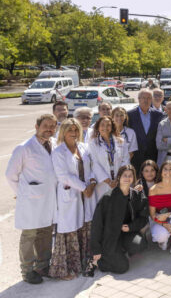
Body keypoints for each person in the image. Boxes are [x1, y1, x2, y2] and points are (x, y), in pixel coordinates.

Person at [6, 114, 58, 284]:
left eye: (52, 126)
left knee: (45, 233)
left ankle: (43, 265)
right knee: (29, 235)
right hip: (30, 200)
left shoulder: (54, 143)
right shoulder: (24, 148)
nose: (49, 129)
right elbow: (10, 175)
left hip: (48, 199)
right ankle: (27, 270)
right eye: (45, 125)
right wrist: (23, 193)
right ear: (36, 127)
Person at [49, 119, 96, 280]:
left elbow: (90, 168)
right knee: (68, 230)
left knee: (83, 227)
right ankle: (63, 270)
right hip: (71, 195)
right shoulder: (58, 152)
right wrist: (84, 188)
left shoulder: (83, 147)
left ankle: (82, 265)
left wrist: (91, 183)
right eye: (70, 130)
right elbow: (63, 175)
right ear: (63, 132)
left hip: (85, 195)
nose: (74, 134)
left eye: (76, 130)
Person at [90, 165, 148, 274]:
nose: (127, 178)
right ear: (119, 177)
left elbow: (144, 217)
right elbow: (97, 225)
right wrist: (96, 249)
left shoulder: (136, 195)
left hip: (126, 233)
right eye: (124, 175)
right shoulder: (107, 198)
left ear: (134, 178)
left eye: (130, 176)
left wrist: (131, 227)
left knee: (140, 243)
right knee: (122, 267)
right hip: (110, 239)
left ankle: (121, 251)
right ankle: (98, 261)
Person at [88, 116, 130, 200]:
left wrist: (118, 179)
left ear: (112, 127)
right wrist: (109, 181)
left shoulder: (120, 141)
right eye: (102, 125)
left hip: (119, 180)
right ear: (98, 127)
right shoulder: (93, 143)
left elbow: (125, 160)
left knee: (118, 205)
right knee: (104, 206)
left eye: (108, 125)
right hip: (103, 183)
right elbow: (94, 164)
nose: (105, 127)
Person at [127, 89, 163, 173]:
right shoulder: (130, 115)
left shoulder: (158, 115)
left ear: (152, 99)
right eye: (143, 98)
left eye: (149, 98)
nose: (146, 100)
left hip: (153, 156)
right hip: (136, 156)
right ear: (138, 99)